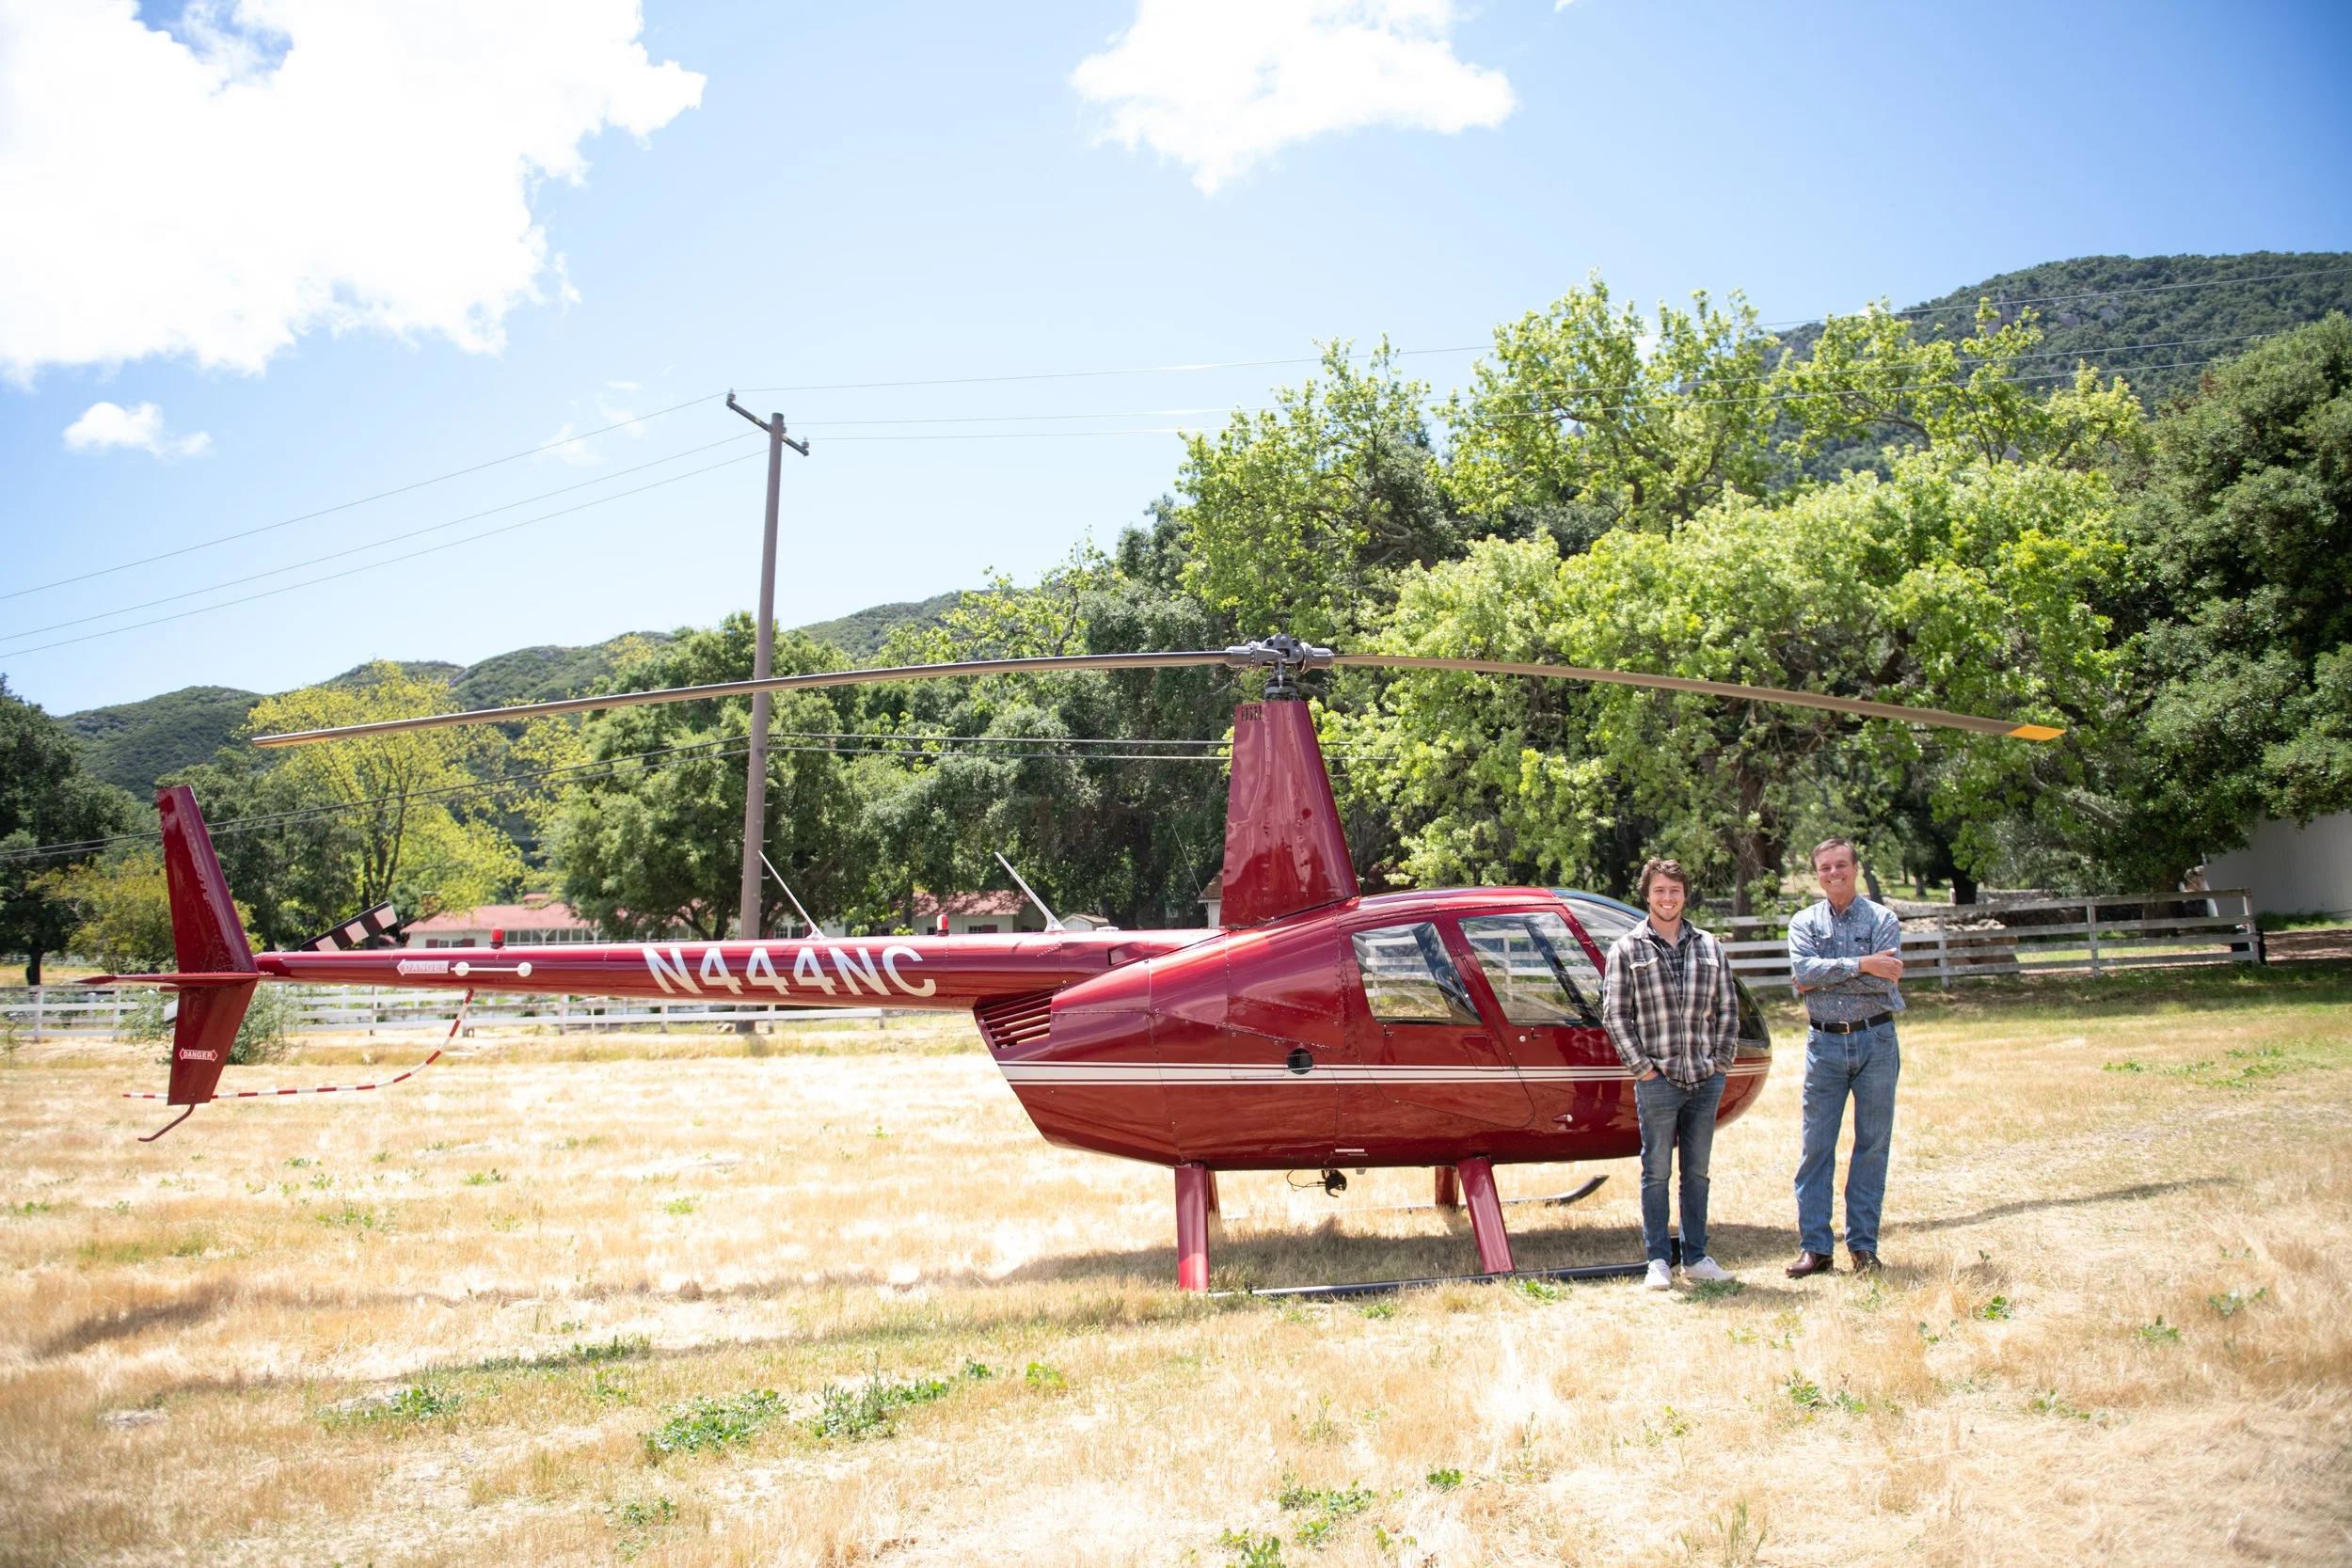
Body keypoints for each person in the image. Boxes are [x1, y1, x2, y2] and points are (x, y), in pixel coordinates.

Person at [1600, 857, 1741, 1291]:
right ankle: (1658, 1261)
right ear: (1647, 895)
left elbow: (1727, 1009)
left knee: (1697, 1173)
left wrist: (1721, 1062)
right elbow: (1614, 1015)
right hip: (1657, 1080)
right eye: (1660, 891)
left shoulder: (1710, 946)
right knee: (1655, 1172)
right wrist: (1643, 1069)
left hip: (1704, 1077)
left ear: (1685, 895)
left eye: (1675, 891)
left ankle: (1697, 1257)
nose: (1668, 898)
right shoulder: (1627, 949)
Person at [1785, 836, 1904, 1277]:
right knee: (1817, 1147)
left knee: (1872, 1146)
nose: (1833, 874)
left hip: (1877, 1041)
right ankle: (1816, 1248)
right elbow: (1803, 972)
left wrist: (1824, 976)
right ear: (1817, 874)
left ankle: (1863, 1247)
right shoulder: (1804, 922)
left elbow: (1885, 984)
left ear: (1855, 867)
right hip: (1825, 1044)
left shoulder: (1883, 918)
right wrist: (1862, 965)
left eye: (1841, 865)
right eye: (1825, 868)